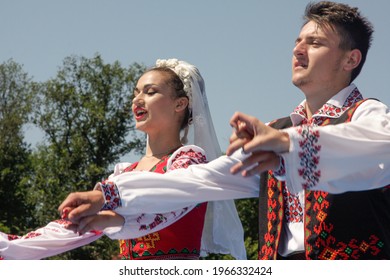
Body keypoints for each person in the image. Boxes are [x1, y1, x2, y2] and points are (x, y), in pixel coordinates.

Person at [58, 1, 390, 260]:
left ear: (350, 59)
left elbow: (378, 146)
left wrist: (288, 143)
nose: (298, 50)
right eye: (297, 41)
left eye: (314, 42)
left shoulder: (367, 115)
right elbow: (200, 180)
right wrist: (110, 196)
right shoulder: (278, 130)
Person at [0, 59, 246, 260]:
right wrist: (9, 247)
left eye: (150, 92)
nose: (136, 100)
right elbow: (76, 229)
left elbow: (167, 203)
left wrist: (111, 216)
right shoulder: (124, 173)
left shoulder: (188, 160)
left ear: (180, 104)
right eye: (136, 92)